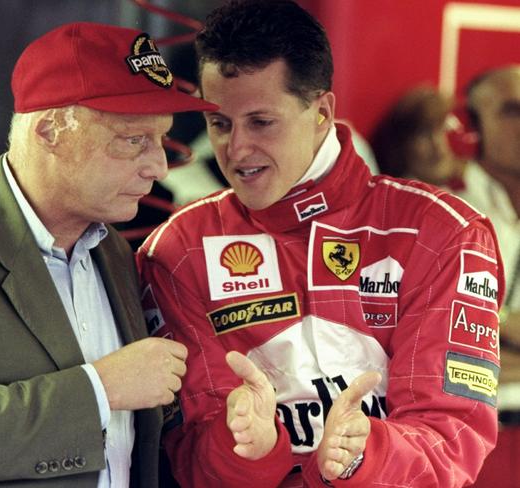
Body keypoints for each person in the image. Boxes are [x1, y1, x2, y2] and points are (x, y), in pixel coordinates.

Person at [136, 1, 504, 486]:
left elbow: (451, 432)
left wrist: (363, 455)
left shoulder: (444, 234)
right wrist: (245, 447)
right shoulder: (177, 252)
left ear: (322, 113)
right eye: (220, 124)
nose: (237, 148)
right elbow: (188, 456)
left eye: (261, 122)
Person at [0, 21, 216, 487]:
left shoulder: (112, 248)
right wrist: (100, 388)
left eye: (160, 139)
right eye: (133, 140)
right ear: (51, 130)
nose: (157, 165)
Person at [456, 65, 520, 387]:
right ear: (475, 125)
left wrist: (493, 324)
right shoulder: (443, 207)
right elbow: (448, 345)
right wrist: (509, 324)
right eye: (512, 110)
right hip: (476, 427)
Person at [371, 86, 466, 189]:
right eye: (423, 134)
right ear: (401, 147)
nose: (437, 143)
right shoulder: (400, 199)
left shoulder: (469, 184)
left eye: (443, 129)